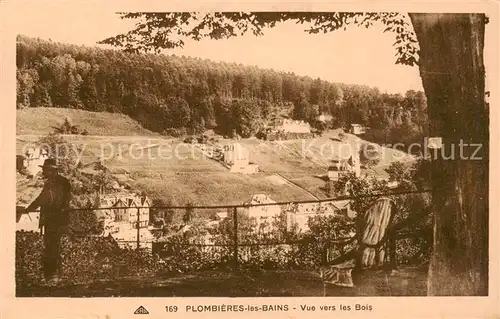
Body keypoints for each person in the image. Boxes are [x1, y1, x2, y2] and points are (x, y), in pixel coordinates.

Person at [24, 158, 71, 285]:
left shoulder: (60, 183)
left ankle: (53, 277)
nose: (44, 172)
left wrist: (29, 209)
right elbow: (42, 199)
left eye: (45, 170)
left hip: (56, 220)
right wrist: (29, 209)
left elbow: (62, 200)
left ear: (52, 171)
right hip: (53, 219)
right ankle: (53, 276)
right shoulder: (54, 182)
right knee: (52, 247)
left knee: (52, 247)